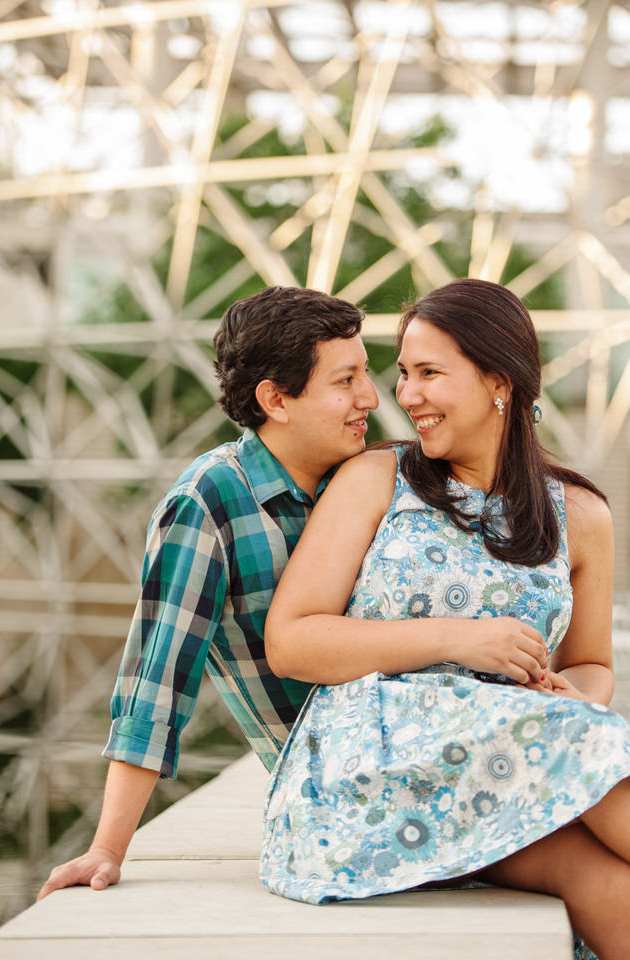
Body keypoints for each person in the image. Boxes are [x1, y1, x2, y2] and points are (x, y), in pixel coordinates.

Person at [260, 278, 630, 960]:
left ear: (499, 380)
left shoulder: (579, 516)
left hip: (511, 762)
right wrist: (461, 640)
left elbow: (590, 666)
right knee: (609, 765)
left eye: (429, 373)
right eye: (403, 374)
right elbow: (291, 641)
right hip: (373, 773)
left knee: (607, 884)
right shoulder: (378, 478)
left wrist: (565, 696)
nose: (406, 396)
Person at [37, 285, 379, 900]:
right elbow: (156, 685)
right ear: (275, 399)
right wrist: (107, 849)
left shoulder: (363, 478)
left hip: (421, 736)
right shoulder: (210, 502)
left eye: (366, 374)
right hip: (344, 787)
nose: (370, 399)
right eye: (345, 380)